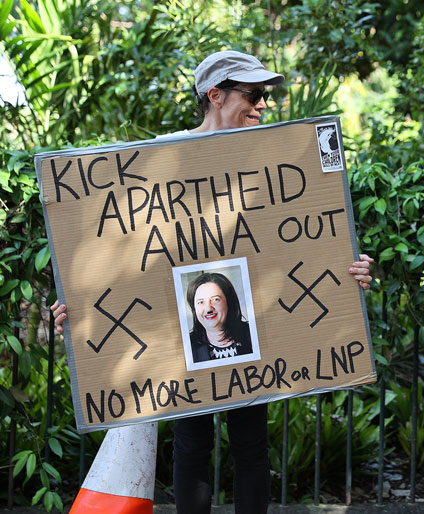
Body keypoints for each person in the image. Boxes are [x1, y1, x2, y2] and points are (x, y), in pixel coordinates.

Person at [51, 50, 375, 514]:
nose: (263, 104)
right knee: (192, 447)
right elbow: (118, 247)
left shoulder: (272, 155)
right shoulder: (160, 155)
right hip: (184, 335)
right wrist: (78, 302)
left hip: (251, 327)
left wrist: (345, 269)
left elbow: (297, 242)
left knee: (251, 445)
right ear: (215, 94)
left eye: (266, 95)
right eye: (254, 94)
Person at [187, 272, 252, 362]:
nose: (208, 309)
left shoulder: (253, 334)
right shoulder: (187, 348)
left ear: (229, 302)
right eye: (201, 302)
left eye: (215, 299)